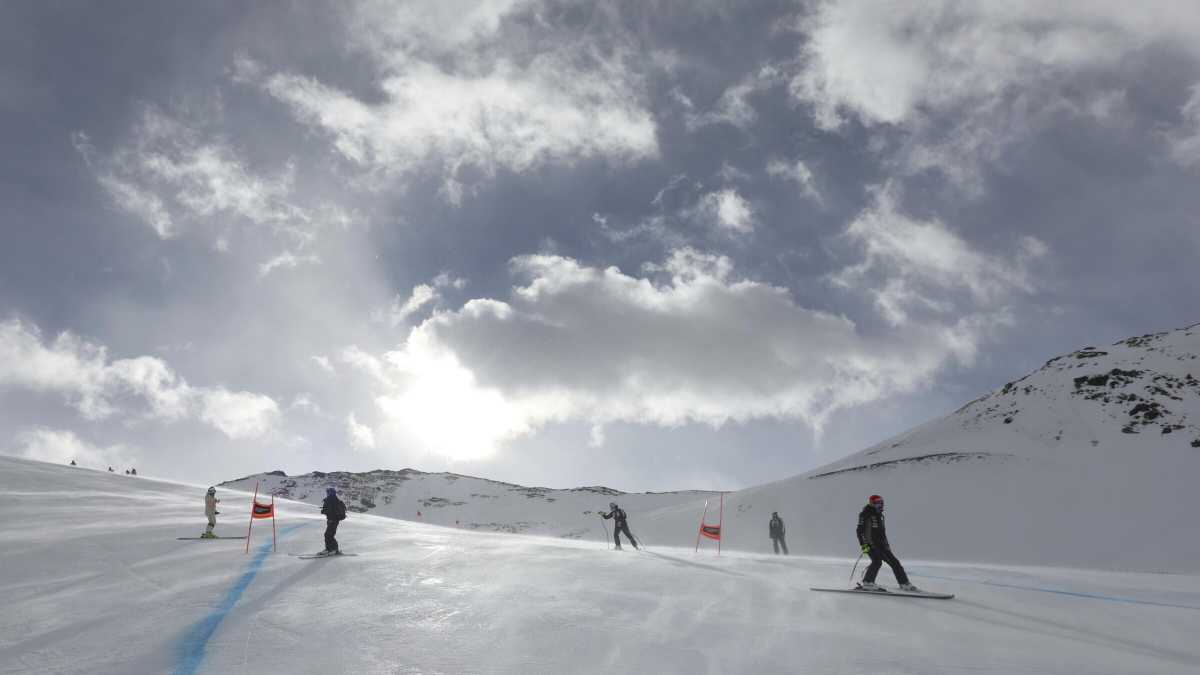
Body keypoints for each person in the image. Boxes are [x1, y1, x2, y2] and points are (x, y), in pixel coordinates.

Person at [856, 494, 918, 591]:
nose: (879, 505)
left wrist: (887, 545)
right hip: (871, 545)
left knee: (894, 563)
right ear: (871, 503)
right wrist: (864, 546)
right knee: (877, 562)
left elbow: (882, 533)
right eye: (877, 503)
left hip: (882, 545)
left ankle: (904, 583)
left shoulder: (880, 515)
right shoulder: (865, 514)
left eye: (881, 503)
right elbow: (860, 531)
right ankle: (868, 583)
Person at [320, 487, 347, 554]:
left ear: (330, 493)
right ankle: (330, 549)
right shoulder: (333, 499)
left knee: (329, 535)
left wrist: (324, 511)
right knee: (328, 535)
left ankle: (333, 549)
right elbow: (330, 510)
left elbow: (330, 510)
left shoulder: (331, 500)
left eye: (328, 492)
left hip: (333, 520)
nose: (327, 493)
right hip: (332, 520)